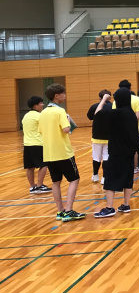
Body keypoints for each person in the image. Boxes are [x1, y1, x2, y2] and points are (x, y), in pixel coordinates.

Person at [39, 84, 86, 222]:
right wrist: (68, 121)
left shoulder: (43, 113)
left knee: (56, 182)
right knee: (74, 180)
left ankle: (60, 211)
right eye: (63, 93)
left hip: (49, 153)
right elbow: (66, 129)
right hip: (63, 152)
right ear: (56, 96)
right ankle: (69, 210)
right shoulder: (60, 111)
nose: (65, 96)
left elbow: (41, 131)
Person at [92, 89, 138, 218]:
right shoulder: (131, 113)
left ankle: (109, 208)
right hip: (129, 151)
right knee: (128, 179)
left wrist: (103, 99)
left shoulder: (117, 113)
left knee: (110, 178)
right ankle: (126, 204)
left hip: (117, 151)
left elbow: (97, 114)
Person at [22, 96, 50, 194]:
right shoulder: (39, 116)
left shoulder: (26, 116)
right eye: (40, 103)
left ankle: (32, 186)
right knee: (44, 165)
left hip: (27, 144)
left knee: (30, 167)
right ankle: (39, 185)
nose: (42, 105)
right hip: (38, 144)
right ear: (35, 105)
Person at [86, 90, 111, 184]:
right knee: (106, 157)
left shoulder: (95, 106)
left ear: (99, 97)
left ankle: (95, 175)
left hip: (97, 136)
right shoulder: (113, 106)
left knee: (96, 157)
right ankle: (105, 177)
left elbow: (89, 116)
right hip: (109, 136)